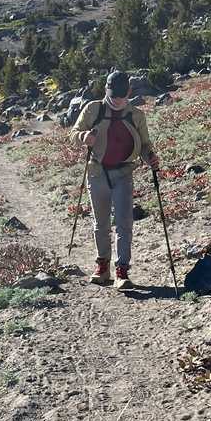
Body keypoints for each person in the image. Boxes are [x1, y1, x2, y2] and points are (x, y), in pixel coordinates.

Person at [70, 69, 159, 289]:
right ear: (106, 89)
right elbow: (73, 134)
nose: (118, 99)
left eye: (122, 95)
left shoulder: (136, 115)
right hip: (97, 172)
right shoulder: (93, 109)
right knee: (100, 224)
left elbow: (145, 145)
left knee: (124, 223)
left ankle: (122, 271)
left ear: (128, 91)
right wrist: (83, 136)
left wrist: (151, 158)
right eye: (114, 94)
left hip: (123, 173)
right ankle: (102, 267)